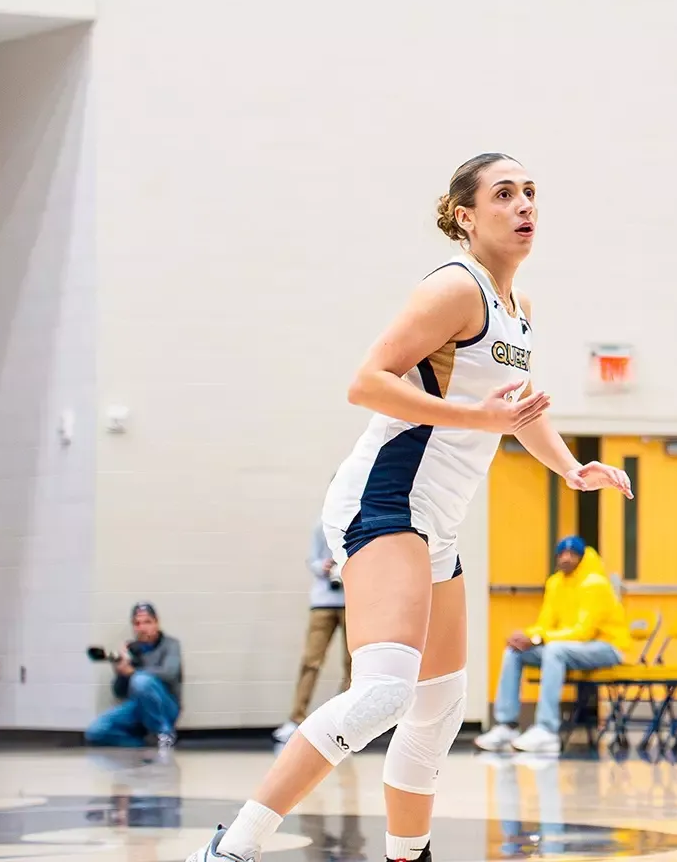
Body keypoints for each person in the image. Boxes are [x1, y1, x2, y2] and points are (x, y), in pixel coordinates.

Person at [187, 154, 631, 862]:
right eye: (505, 194)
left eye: (532, 194)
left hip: (437, 522)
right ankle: (232, 848)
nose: (525, 207)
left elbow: (516, 407)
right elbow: (365, 383)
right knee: (383, 696)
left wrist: (573, 469)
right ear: (465, 215)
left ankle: (408, 855)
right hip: (385, 497)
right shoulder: (455, 289)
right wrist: (475, 419)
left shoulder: (519, 308)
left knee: (439, 707)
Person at [474, 536, 629, 754]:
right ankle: (506, 725)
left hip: (606, 647)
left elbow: (583, 632)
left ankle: (546, 730)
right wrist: (526, 636)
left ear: (582, 558)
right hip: (570, 648)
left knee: (554, 650)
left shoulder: (595, 584)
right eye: (562, 554)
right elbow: (544, 624)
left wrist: (539, 639)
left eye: (572, 554)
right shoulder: (555, 583)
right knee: (515, 652)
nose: (566, 558)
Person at [273, 521, 352, 744]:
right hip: (323, 602)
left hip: (353, 601)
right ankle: (296, 719)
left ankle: (344, 724)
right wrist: (324, 567)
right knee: (311, 660)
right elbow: (312, 559)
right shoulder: (322, 524)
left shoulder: (363, 519)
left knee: (352, 663)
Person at [85, 602, 184, 749]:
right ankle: (146, 744)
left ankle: (164, 733)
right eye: (137, 623)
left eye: (147, 622)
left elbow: (169, 673)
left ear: (156, 623)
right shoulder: (132, 649)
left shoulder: (171, 645)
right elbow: (119, 692)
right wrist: (121, 672)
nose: (142, 628)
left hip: (165, 706)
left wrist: (134, 672)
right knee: (95, 732)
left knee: (141, 680)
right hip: (138, 706)